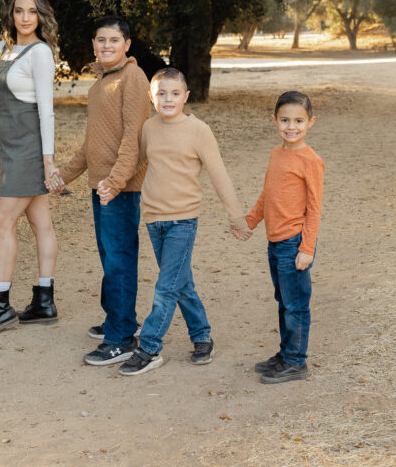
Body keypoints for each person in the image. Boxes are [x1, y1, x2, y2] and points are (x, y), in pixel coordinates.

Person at [117, 68, 246, 375]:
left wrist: (236, 217)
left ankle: (149, 347)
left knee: (166, 287)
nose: (168, 99)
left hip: (183, 222)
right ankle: (202, 336)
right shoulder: (149, 128)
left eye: (175, 93)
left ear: (186, 97)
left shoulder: (198, 131)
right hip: (154, 219)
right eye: (161, 93)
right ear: (151, 97)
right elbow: (136, 163)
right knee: (180, 283)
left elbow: (218, 173)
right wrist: (112, 184)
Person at [0, 0, 63, 336]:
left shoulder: (40, 53)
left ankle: (0, 305)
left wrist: (48, 161)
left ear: (40, 16)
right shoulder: (2, 49)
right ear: (11, 14)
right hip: (10, 148)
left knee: (2, 222)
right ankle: (44, 302)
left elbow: (47, 112)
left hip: (31, 150)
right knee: (40, 222)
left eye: (32, 11)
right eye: (19, 10)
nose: (25, 17)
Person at [55, 16, 150, 366]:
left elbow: (135, 138)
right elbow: (91, 144)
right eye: (100, 40)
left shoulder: (133, 77)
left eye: (114, 40)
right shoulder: (99, 85)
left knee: (119, 258)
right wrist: (64, 176)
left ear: (127, 44)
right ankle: (118, 318)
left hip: (119, 187)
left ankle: (121, 337)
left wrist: (116, 182)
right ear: (93, 44)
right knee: (109, 257)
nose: (106, 45)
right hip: (101, 186)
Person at [239, 90, 324, 384]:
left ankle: (296, 362)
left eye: (299, 121)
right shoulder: (277, 154)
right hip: (275, 242)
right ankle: (286, 353)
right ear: (274, 120)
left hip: (294, 243)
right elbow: (268, 194)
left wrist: (307, 248)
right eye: (285, 120)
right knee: (283, 300)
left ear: (310, 122)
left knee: (296, 304)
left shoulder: (310, 161)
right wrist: (250, 221)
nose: (291, 126)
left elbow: (314, 208)